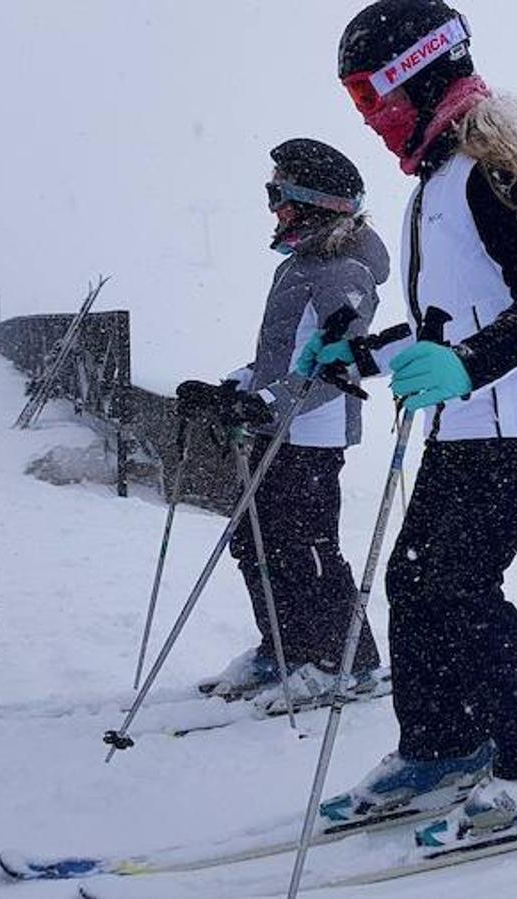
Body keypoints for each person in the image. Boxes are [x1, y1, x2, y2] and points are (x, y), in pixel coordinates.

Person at [311, 0, 517, 832]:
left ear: (418, 72)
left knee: (460, 586)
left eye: (371, 95)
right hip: (472, 418)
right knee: (415, 581)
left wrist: (467, 366)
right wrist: (361, 356)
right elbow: (445, 323)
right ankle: (443, 744)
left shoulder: (492, 166)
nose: (367, 117)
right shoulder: (439, 179)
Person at [178, 139, 388, 707]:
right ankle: (286, 648)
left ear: (313, 201)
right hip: (278, 428)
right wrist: (233, 388)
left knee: (308, 548)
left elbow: (336, 365)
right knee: (255, 543)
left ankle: (347, 663)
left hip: (313, 434)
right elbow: (283, 359)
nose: (273, 208)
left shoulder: (344, 271)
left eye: (279, 195)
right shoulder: (298, 268)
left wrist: (268, 401)